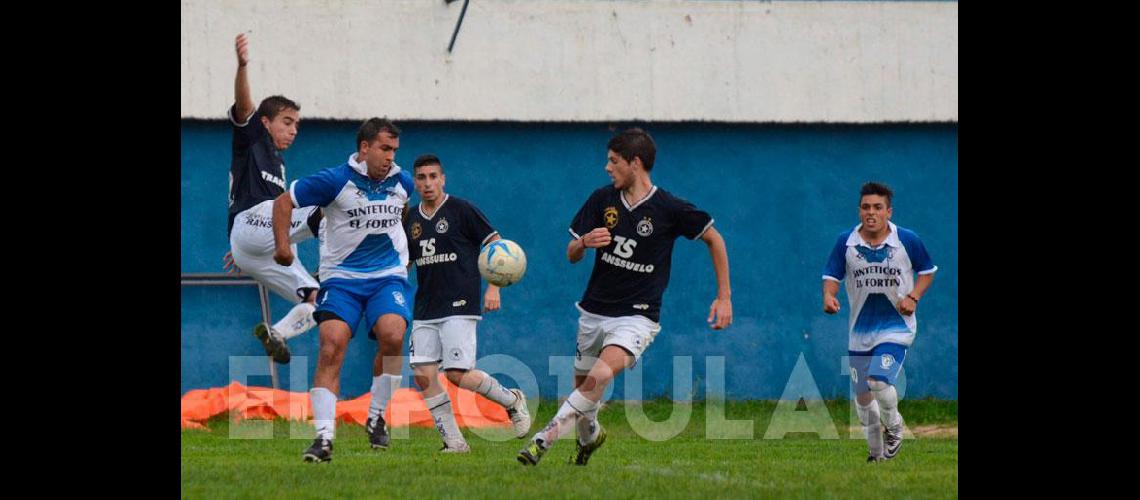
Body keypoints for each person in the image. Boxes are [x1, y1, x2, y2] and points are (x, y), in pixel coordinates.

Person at [517, 128, 733, 466]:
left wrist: (724, 297)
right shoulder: (601, 200)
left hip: (638, 315)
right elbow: (571, 253)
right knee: (584, 388)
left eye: (613, 161)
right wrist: (585, 242)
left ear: (635, 163)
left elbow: (715, 239)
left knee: (600, 376)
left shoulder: (669, 208)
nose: (607, 167)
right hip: (593, 311)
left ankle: (544, 438)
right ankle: (590, 437)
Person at [272, 118, 413, 463]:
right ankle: (323, 439)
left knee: (393, 335)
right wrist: (282, 248)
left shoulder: (402, 181)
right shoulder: (334, 180)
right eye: (383, 148)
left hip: (387, 277)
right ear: (364, 148)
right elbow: (282, 203)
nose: (390, 157)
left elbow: (402, 212)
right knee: (332, 344)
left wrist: (400, 254)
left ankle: (377, 415)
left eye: (394, 150)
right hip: (341, 279)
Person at [404, 154, 531, 453]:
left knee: (457, 374)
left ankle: (512, 401)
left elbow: (497, 246)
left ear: (443, 178)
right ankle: (454, 443)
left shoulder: (462, 210)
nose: (427, 183)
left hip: (460, 303)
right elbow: (406, 261)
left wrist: (494, 287)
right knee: (423, 374)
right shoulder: (409, 218)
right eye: (421, 178)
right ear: (414, 182)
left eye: (433, 176)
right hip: (425, 307)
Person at [223, 32, 322, 364]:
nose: (294, 130)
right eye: (287, 122)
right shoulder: (253, 139)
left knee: (317, 299)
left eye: (297, 124)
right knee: (322, 205)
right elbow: (244, 105)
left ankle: (277, 332)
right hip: (252, 228)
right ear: (265, 122)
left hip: (255, 247)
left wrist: (244, 245)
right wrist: (242, 66)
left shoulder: (277, 161)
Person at [821, 182, 937, 463]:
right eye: (865, 207)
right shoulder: (846, 242)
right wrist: (828, 296)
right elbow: (832, 276)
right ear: (859, 210)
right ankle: (876, 456)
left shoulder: (907, 240)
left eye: (877, 207)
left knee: (877, 380)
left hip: (896, 327)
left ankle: (895, 427)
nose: (871, 212)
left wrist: (914, 296)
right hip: (860, 331)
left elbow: (927, 271)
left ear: (888, 211)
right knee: (862, 398)